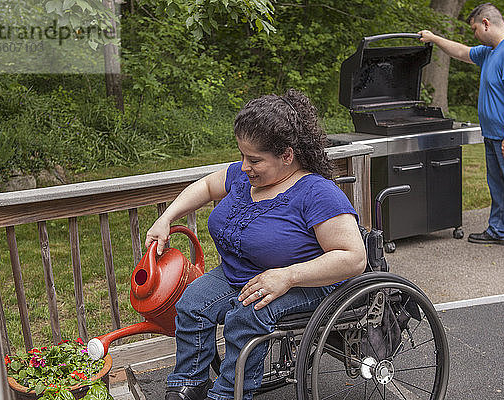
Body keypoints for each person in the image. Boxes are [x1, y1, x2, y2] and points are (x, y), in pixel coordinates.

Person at [145, 88, 366, 400]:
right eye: (241, 156)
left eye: (254, 159)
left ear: (287, 155)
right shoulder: (245, 175)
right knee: (191, 305)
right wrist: (166, 217)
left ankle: (228, 395)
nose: (244, 166)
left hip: (307, 282)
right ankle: (189, 385)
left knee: (244, 317)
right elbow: (208, 185)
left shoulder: (317, 193)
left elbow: (354, 258)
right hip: (243, 272)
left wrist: (287, 276)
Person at [418, 3, 504, 259]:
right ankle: (498, 231)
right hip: (495, 135)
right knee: (498, 186)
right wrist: (433, 38)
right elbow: (462, 52)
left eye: (475, 28)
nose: (474, 34)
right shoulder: (491, 51)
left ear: (486, 23)